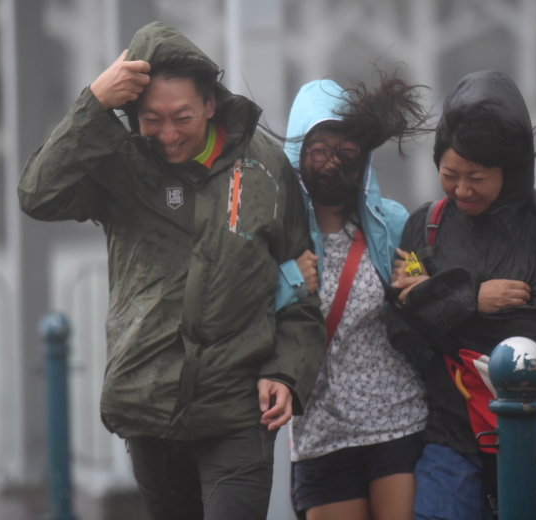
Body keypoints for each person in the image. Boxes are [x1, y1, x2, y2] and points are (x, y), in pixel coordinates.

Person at [18, 22, 326, 520]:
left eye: (181, 117)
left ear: (210, 102)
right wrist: (93, 104)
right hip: (149, 406)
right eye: (150, 119)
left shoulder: (265, 168)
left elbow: (302, 288)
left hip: (239, 408)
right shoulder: (120, 165)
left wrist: (285, 374)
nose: (167, 134)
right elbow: (36, 194)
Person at [388, 70, 536, 519]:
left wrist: (437, 299)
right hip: (451, 434)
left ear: (513, 169)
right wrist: (472, 295)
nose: (462, 190)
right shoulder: (423, 228)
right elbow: (401, 327)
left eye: (476, 177)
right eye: (449, 175)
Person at [274, 75, 430, 520]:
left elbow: (423, 286)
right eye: (319, 150)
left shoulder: (391, 222)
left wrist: (415, 278)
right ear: (297, 155)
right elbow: (241, 312)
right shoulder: (277, 238)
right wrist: (287, 281)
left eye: (345, 152)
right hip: (320, 434)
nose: (331, 164)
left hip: (398, 421)